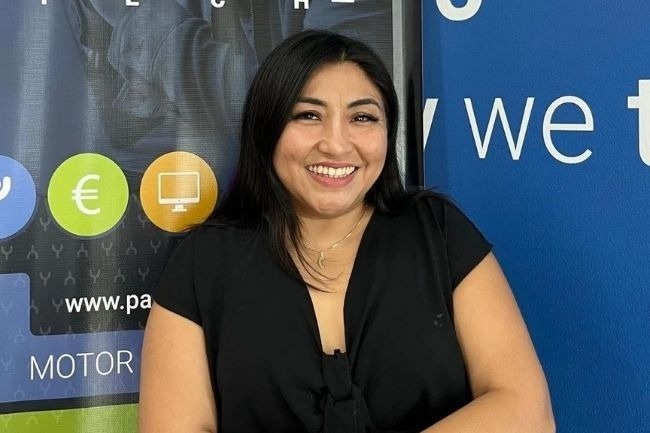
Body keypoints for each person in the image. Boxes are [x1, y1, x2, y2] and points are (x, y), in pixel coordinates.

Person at [139, 30, 555, 433]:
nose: (337, 145)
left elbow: (526, 411)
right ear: (266, 129)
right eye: (308, 115)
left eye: (362, 117)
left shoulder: (439, 233)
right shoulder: (202, 263)